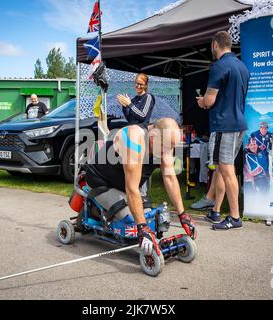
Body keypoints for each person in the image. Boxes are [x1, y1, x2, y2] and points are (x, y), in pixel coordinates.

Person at [85, 118, 196, 256]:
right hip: (102, 182)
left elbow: (170, 178)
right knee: (131, 221)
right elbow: (132, 188)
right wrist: (143, 229)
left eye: (172, 147)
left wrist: (182, 214)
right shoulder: (133, 139)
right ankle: (96, 211)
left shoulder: (163, 142)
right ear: (153, 137)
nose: (168, 152)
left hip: (125, 186)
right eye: (166, 147)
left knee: (150, 216)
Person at [196, 31, 250, 230]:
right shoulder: (242, 66)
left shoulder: (219, 66)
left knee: (226, 169)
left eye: (212, 46)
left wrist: (202, 102)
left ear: (215, 45)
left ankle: (235, 217)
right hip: (238, 124)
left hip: (223, 125)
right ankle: (216, 211)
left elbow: (209, 100)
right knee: (220, 168)